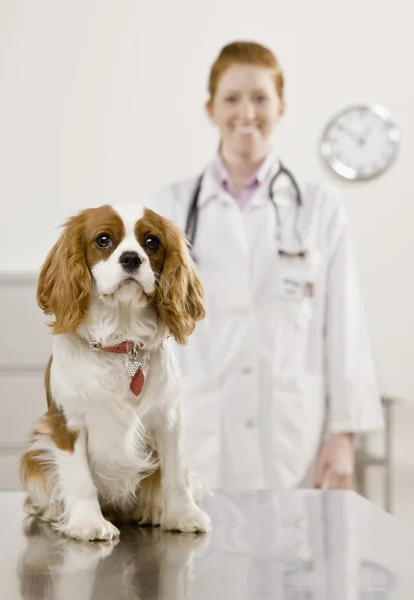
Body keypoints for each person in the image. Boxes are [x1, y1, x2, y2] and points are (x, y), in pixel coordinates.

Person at [151, 41, 384, 491]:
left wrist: (344, 435)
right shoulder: (172, 207)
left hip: (292, 436)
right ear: (210, 109)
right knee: (199, 555)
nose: (247, 112)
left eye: (260, 97)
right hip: (198, 428)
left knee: (292, 555)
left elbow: (344, 326)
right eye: (232, 98)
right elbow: (152, 328)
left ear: (281, 107)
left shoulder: (319, 207)